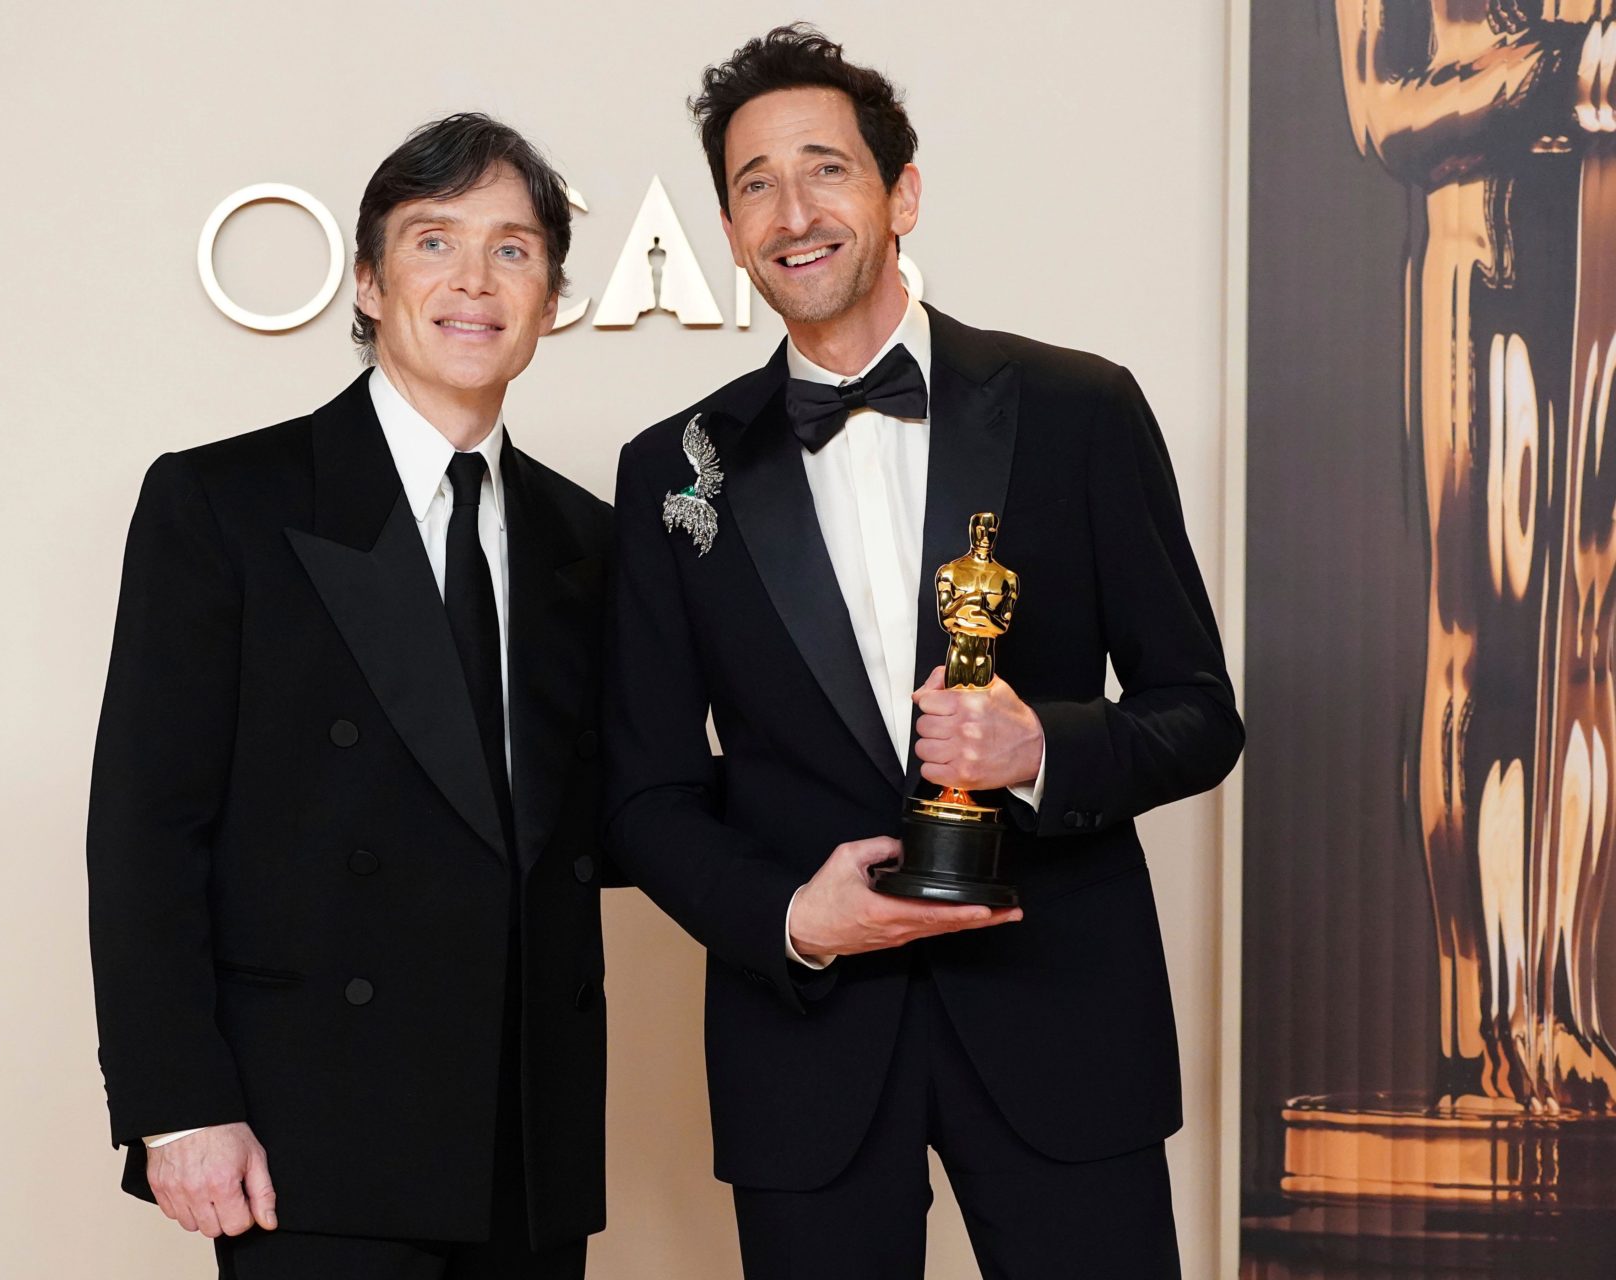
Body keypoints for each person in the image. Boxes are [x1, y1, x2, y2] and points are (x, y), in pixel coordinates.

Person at [604, 26, 1244, 1278]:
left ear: (900, 193)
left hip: (1063, 1021)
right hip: (808, 1042)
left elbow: (1200, 712)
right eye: (753, 184)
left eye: (826, 168)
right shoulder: (670, 470)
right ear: (730, 232)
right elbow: (642, 793)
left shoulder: (1080, 408)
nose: (793, 211)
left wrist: (1040, 748)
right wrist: (794, 917)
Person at [87, 112, 611, 1280]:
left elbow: (612, 812)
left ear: (553, 296)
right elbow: (145, 826)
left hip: (528, 1134)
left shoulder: (591, 539)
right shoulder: (223, 502)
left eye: (515, 249)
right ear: (369, 284)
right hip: (305, 1128)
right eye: (434, 244)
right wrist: (178, 1104)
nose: (475, 281)